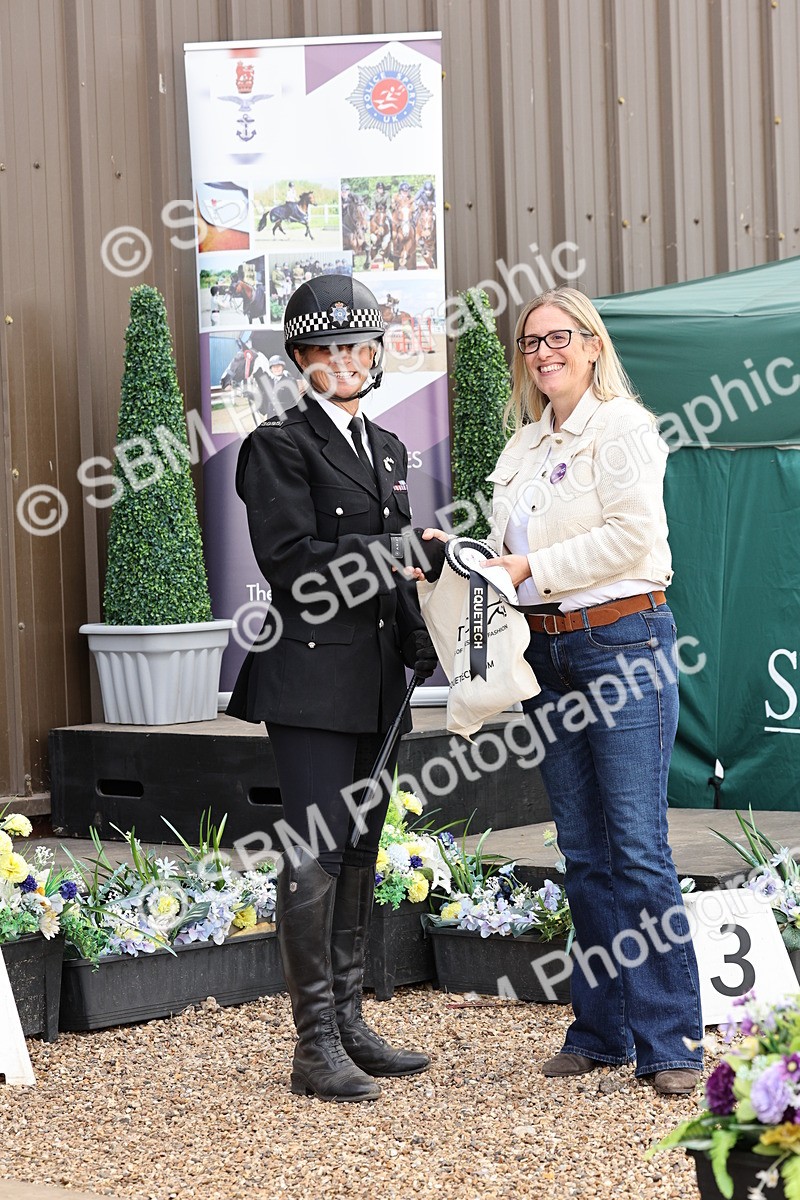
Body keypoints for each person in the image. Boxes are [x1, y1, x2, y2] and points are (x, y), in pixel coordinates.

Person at [420, 286, 703, 1096]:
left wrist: (527, 567)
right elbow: (513, 553)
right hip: (547, 650)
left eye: (558, 337)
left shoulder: (624, 429)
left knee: (637, 848)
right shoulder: (523, 444)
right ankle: (601, 1033)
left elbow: (633, 538)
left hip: (623, 642)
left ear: (591, 343)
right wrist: (462, 557)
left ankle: (672, 1043)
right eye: (531, 342)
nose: (543, 353)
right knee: (582, 851)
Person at [228, 275, 445, 1103]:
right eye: (328, 349)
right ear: (300, 361)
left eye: (359, 346)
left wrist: (420, 631)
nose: (347, 361)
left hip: (377, 680)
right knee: (315, 855)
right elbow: (292, 567)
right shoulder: (277, 446)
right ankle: (313, 1045)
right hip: (312, 680)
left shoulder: (384, 446)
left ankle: (350, 1022)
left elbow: (395, 570)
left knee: (358, 850)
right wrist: (398, 553)